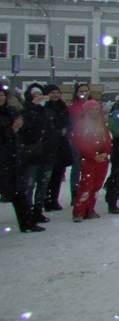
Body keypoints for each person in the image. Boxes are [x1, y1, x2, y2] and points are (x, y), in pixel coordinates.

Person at [17, 84, 58, 227]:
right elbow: (24, 129)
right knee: (29, 184)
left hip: (46, 153)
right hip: (32, 154)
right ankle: (27, 213)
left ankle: (38, 210)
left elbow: (55, 129)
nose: (38, 97)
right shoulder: (26, 111)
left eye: (40, 94)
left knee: (43, 183)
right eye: (35, 95)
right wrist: (32, 108)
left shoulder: (48, 111)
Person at [70, 100, 112, 222]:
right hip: (88, 159)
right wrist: (93, 155)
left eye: (96, 109)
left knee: (97, 186)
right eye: (91, 109)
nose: (94, 112)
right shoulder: (81, 125)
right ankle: (79, 210)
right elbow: (80, 143)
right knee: (86, 185)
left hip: (101, 159)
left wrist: (105, 152)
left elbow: (108, 140)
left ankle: (90, 209)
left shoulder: (102, 124)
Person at [0, 86, 34, 232]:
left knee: (18, 192)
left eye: (2, 95)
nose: (0, 98)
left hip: (12, 158)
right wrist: (11, 130)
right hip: (2, 157)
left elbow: (22, 131)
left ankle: (27, 223)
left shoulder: (11, 111)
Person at [43, 83, 72, 211]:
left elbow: (68, 121)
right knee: (47, 175)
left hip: (61, 144)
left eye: (57, 93)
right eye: (52, 93)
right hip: (49, 145)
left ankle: (54, 199)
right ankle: (45, 200)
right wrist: (56, 131)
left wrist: (66, 129)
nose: (55, 95)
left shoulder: (62, 106)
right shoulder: (44, 107)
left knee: (58, 174)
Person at [67, 82, 92, 200]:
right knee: (76, 167)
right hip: (77, 140)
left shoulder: (94, 106)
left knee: (90, 167)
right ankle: (74, 191)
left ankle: (87, 190)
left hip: (91, 140)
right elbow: (70, 124)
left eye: (86, 91)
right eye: (81, 91)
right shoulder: (72, 107)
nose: (84, 93)